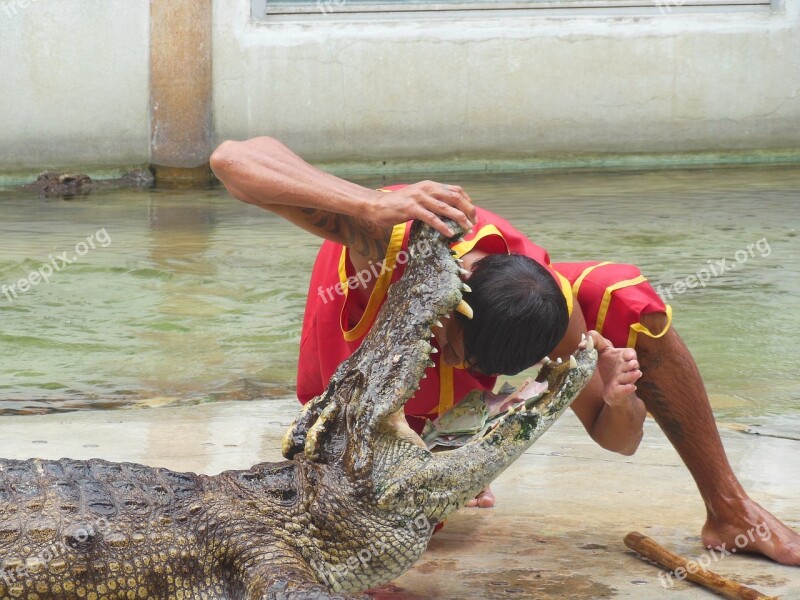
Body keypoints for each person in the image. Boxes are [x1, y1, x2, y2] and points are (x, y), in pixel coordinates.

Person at [210, 136, 800, 566]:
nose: (459, 364)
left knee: (621, 296)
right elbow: (232, 158)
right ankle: (445, 448)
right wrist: (366, 203)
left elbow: (616, 439)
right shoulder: (385, 239)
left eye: (479, 368)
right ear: (454, 303)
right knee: (386, 524)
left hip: (463, 377)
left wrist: (619, 398)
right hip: (363, 367)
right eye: (456, 348)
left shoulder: (550, 303)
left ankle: (728, 507)